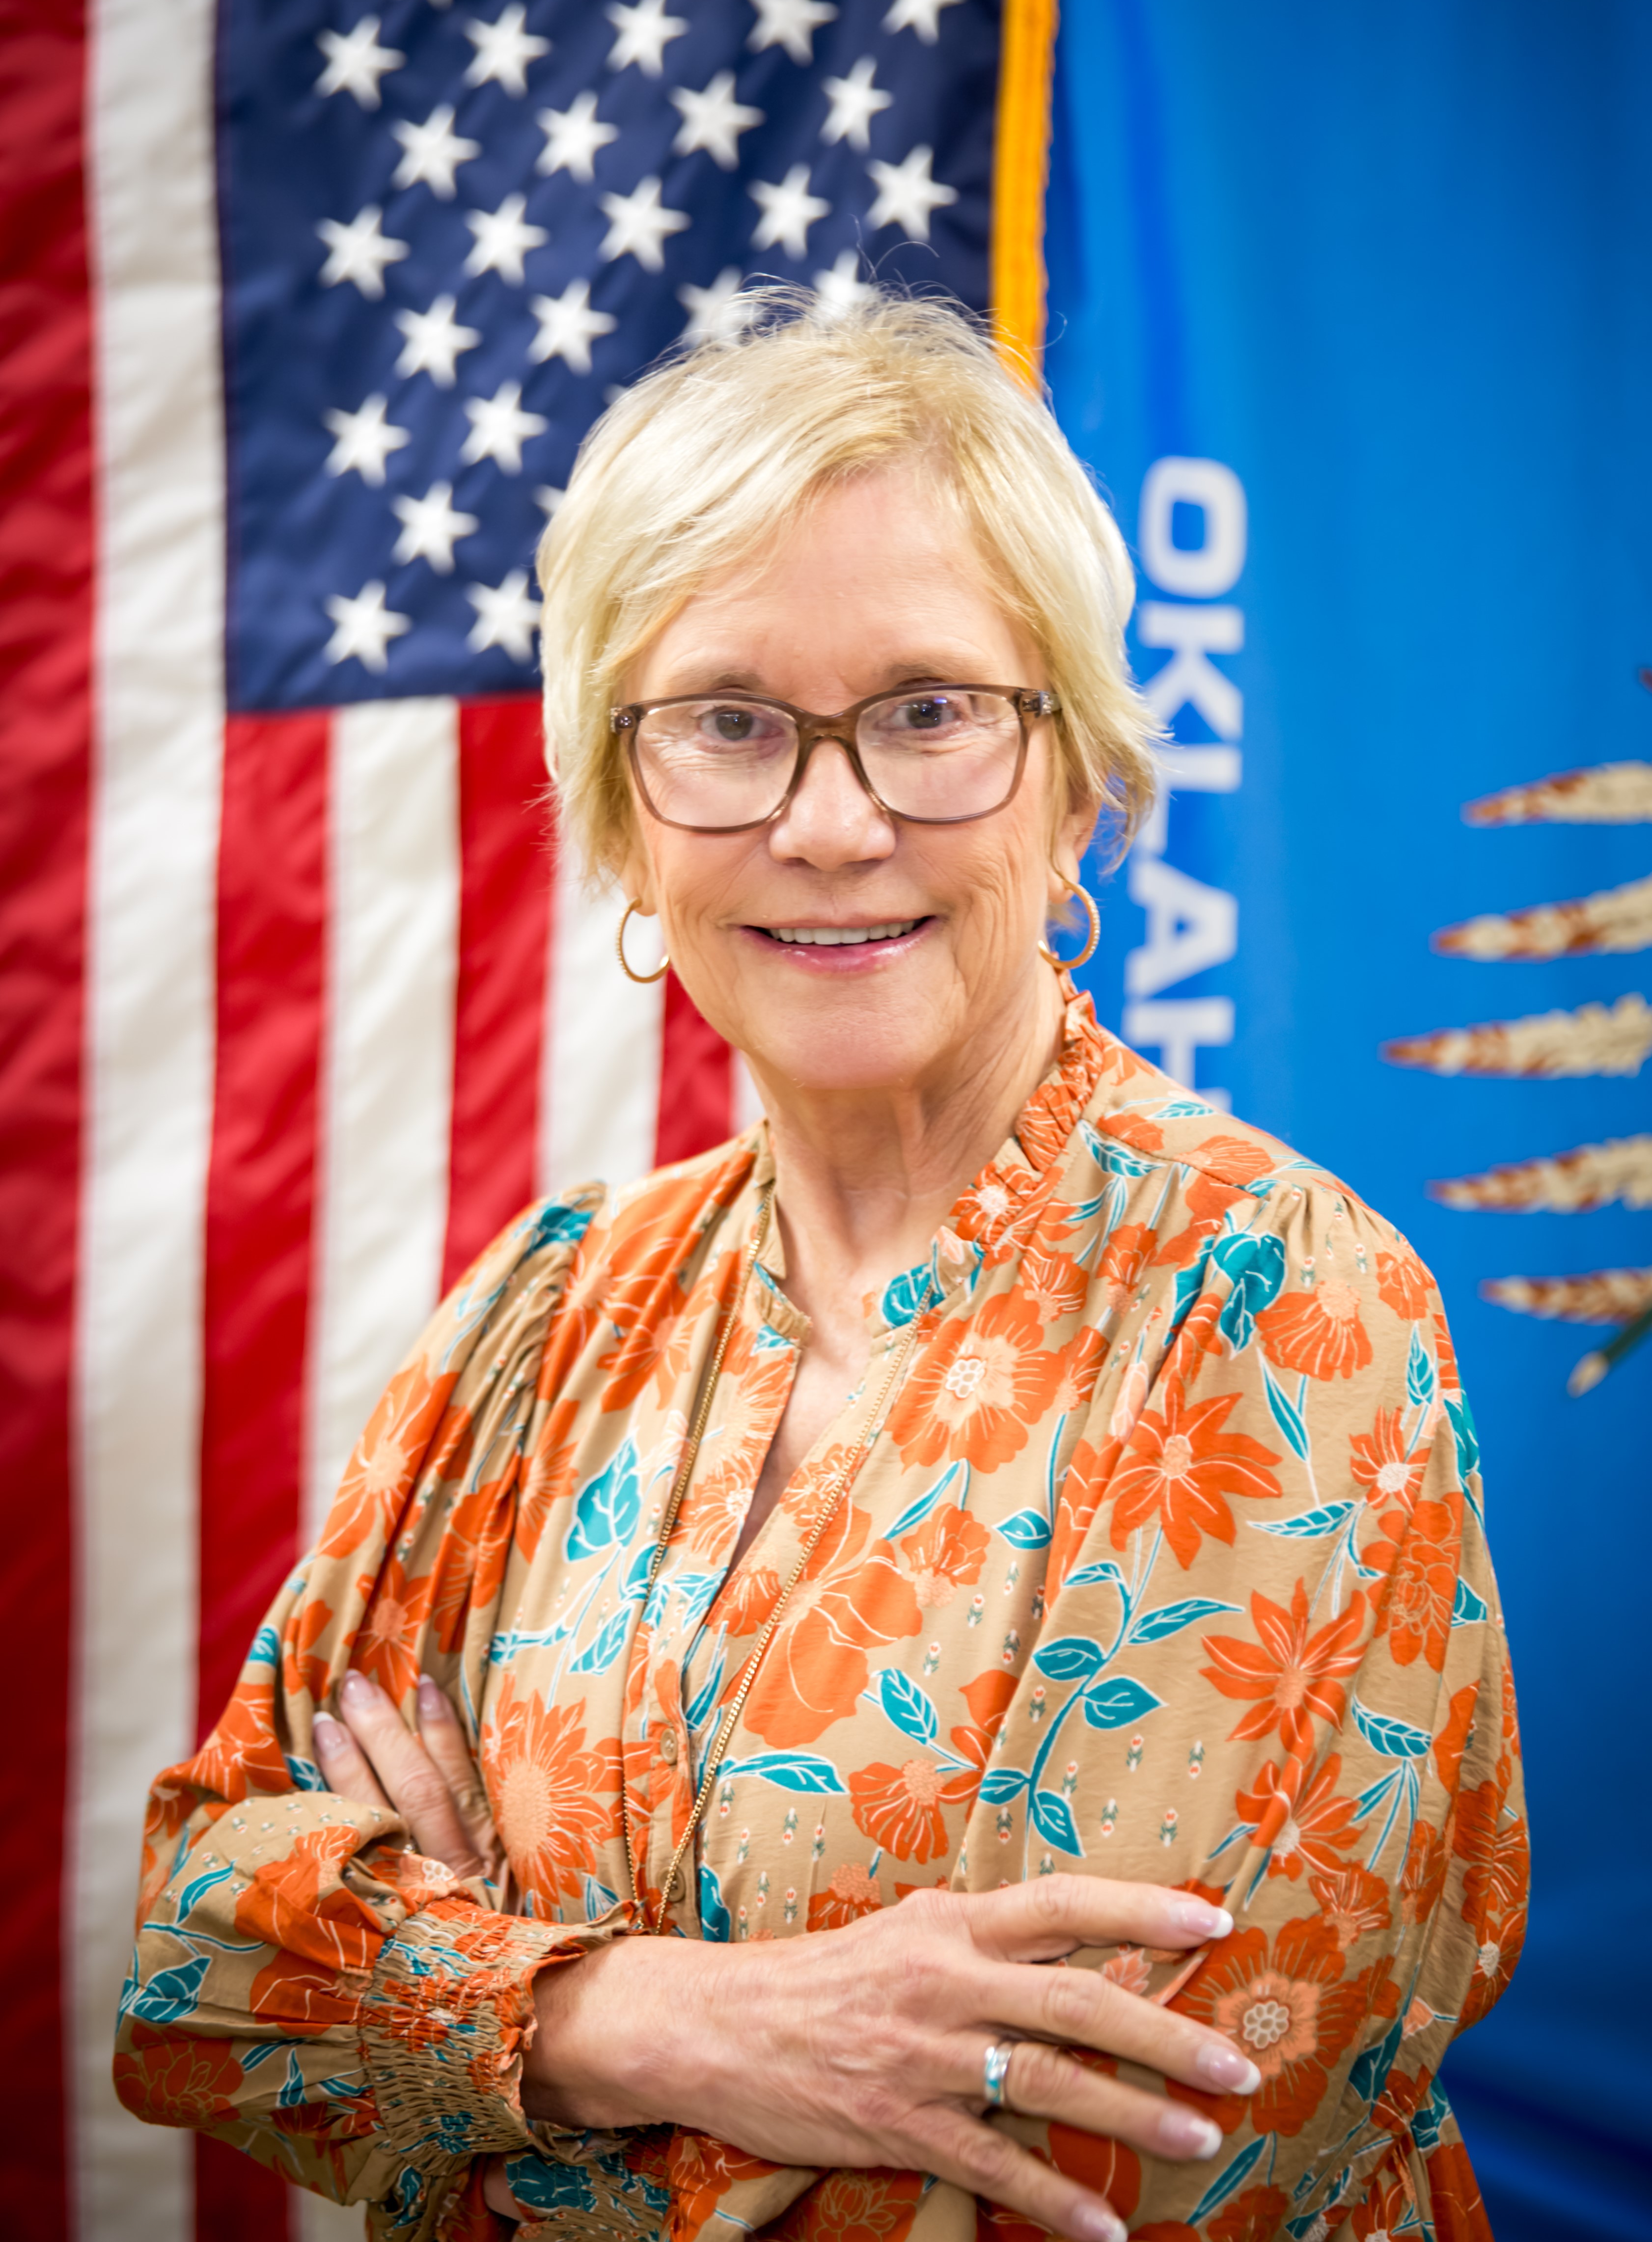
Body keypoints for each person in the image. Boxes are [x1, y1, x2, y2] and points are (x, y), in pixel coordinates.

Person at [118, 295, 1525, 2242]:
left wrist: (449, 1993)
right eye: (728, 722)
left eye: (931, 710)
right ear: (621, 815)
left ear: (1077, 781)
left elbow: (1125, 2153)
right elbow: (198, 1975)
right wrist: (654, 2020)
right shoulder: (547, 1312)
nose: (834, 821)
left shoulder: (1268, 1308)